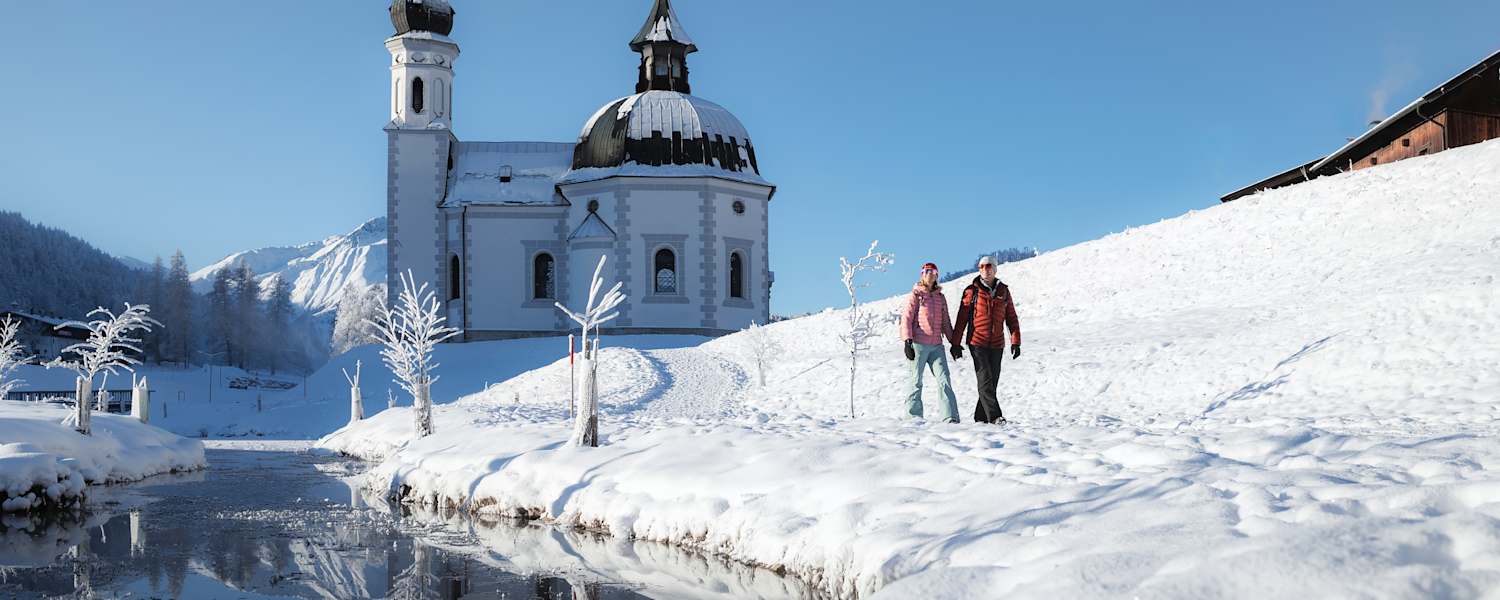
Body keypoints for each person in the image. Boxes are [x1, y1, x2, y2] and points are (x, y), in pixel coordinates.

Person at [950, 255, 1021, 424]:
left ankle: (980, 418)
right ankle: (996, 417)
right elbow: (962, 319)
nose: (985, 269)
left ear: (995, 269)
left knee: (992, 382)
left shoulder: (1004, 291)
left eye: (988, 266)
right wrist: (955, 343)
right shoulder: (971, 291)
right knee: (985, 378)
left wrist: (1016, 341)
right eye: (981, 266)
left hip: (997, 344)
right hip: (977, 342)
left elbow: (1011, 318)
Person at [900, 262, 961, 423]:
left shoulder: (940, 298)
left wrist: (954, 343)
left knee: (944, 379)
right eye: (927, 271)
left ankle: (950, 417)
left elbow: (946, 323)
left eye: (933, 271)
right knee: (916, 380)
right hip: (918, 345)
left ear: (937, 276)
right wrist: (908, 341)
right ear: (922, 274)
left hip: (936, 346)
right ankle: (913, 416)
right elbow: (906, 318)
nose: (930, 274)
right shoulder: (916, 295)